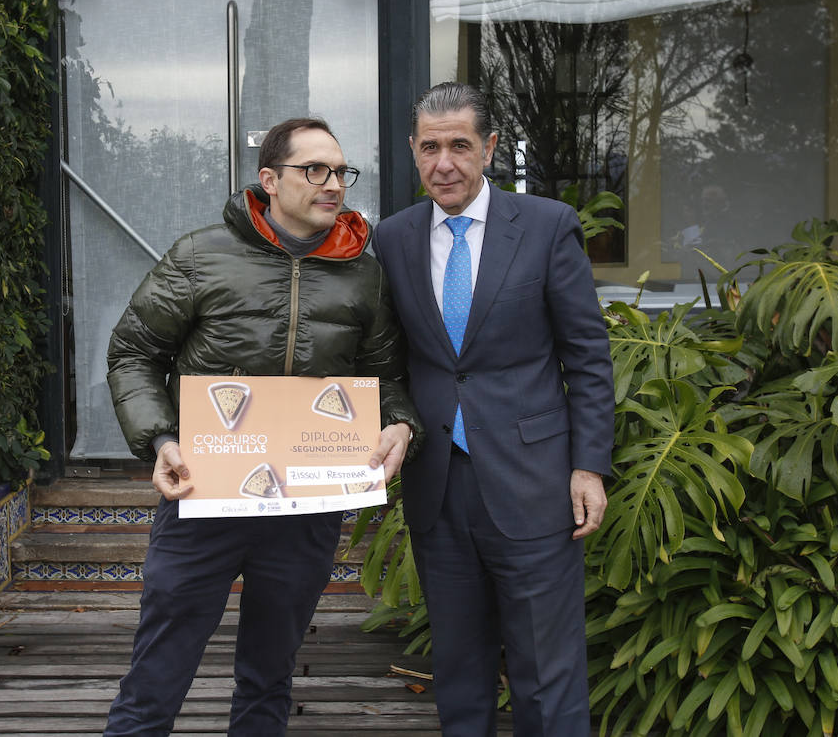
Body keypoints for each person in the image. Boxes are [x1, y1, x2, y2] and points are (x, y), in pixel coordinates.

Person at [102, 117, 422, 736]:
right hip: (204, 495)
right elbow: (133, 352)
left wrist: (401, 424)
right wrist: (161, 439)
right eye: (315, 170)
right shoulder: (201, 256)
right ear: (269, 179)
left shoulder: (364, 274)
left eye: (341, 172)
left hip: (306, 506)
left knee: (270, 671)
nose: (333, 184)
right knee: (159, 667)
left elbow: (387, 379)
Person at [373, 82, 614, 737]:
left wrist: (589, 466)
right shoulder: (391, 240)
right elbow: (387, 361)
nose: (443, 163)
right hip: (438, 489)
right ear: (414, 153)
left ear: (490, 148)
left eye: (459, 145)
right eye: (430, 147)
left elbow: (587, 355)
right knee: (458, 671)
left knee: (549, 675)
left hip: (535, 487)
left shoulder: (545, 225)